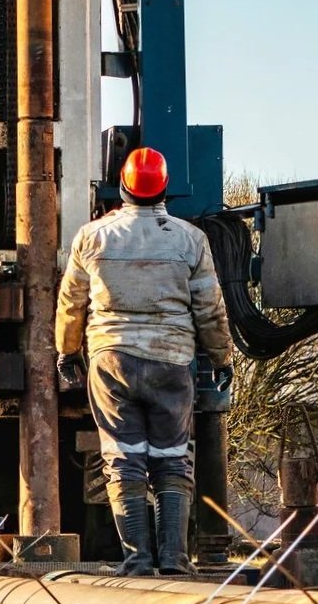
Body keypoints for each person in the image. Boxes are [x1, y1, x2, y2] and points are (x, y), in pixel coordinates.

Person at [55, 147, 235, 576]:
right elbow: (210, 307)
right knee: (172, 459)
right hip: (171, 362)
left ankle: (137, 562)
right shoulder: (190, 239)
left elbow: (71, 302)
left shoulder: (91, 237)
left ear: (122, 186)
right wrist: (221, 355)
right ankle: (173, 560)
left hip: (110, 361)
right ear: (165, 189)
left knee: (123, 458)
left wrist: (66, 351)